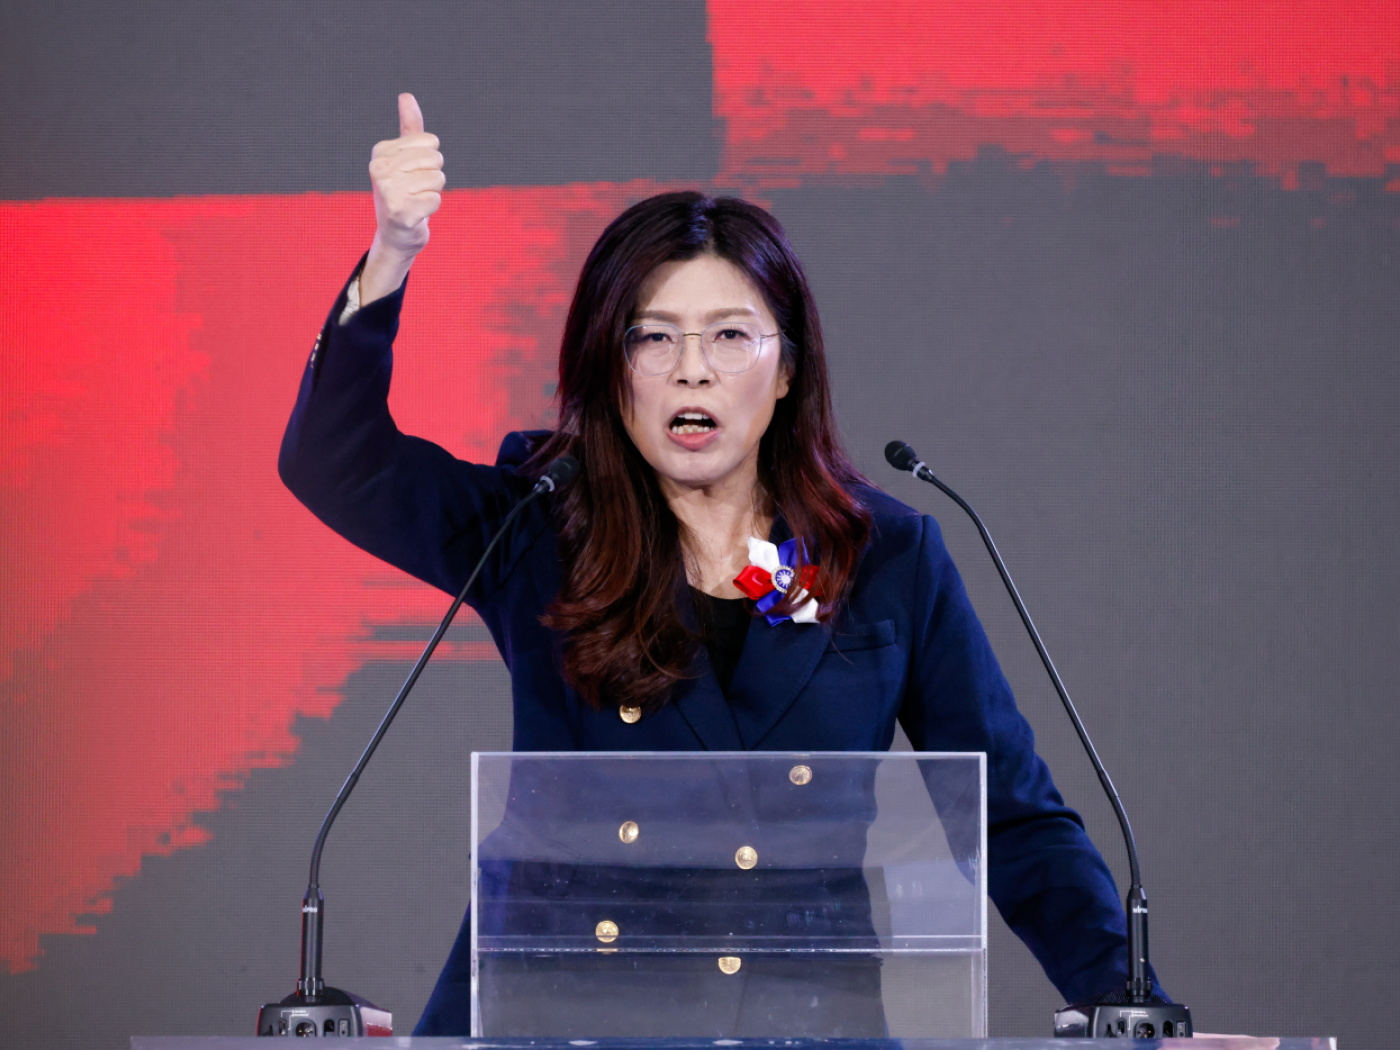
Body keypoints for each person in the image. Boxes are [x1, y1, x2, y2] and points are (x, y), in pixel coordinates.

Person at [279, 94, 1135, 1036]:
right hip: (561, 1017)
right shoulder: (536, 528)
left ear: (787, 370)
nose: (693, 369)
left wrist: (1122, 1004)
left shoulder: (885, 557)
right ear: (612, 369)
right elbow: (333, 461)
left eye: (730, 336)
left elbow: (1012, 815)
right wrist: (392, 252)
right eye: (654, 337)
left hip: (798, 1023)